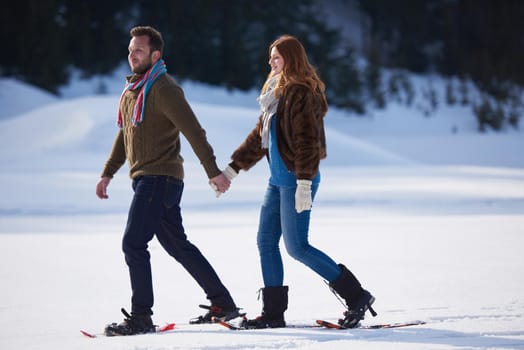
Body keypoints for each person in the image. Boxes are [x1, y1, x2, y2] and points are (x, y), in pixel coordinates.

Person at [221, 35, 376, 329]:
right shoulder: (274, 93)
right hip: (277, 181)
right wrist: (232, 170)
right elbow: (259, 137)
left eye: (276, 57)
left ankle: (357, 296)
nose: (271, 62)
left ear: (291, 59)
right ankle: (273, 314)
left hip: (297, 180)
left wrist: (304, 183)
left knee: (297, 247)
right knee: (265, 241)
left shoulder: (302, 93)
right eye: (270, 57)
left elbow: (308, 142)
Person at [96, 25, 241, 336]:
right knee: (178, 245)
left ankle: (141, 316)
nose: (132, 55)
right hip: (149, 180)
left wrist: (212, 170)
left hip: (159, 179)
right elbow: (126, 135)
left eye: (139, 50)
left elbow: (193, 130)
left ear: (155, 54)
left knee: (134, 243)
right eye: (131, 49)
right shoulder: (134, 90)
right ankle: (222, 303)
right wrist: (109, 171)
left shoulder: (163, 88)